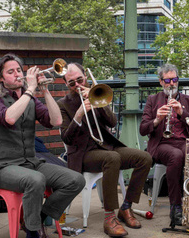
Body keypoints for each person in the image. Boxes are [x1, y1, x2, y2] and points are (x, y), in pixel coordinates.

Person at [0, 54, 85, 238]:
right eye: (10, 71)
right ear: (0, 78)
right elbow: (9, 117)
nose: (17, 74)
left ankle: (38, 217)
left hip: (31, 162)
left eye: (18, 70)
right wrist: (30, 89)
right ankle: (33, 232)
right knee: (36, 180)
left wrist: (44, 91)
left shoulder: (30, 100)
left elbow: (56, 120)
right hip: (3, 167)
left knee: (76, 180)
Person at [57, 63, 152, 237]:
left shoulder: (95, 93)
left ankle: (126, 207)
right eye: (72, 83)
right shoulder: (63, 104)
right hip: (83, 154)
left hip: (107, 146)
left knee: (144, 158)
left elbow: (113, 122)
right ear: (66, 84)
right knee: (112, 158)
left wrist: (99, 103)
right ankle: (109, 217)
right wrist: (78, 115)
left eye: (80, 80)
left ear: (85, 76)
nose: (77, 85)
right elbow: (66, 138)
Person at [140, 64, 189, 231]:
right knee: (176, 155)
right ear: (161, 82)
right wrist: (157, 120)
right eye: (167, 80)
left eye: (174, 79)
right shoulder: (153, 101)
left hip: (185, 143)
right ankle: (176, 208)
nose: (171, 83)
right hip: (161, 145)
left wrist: (182, 112)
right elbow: (143, 128)